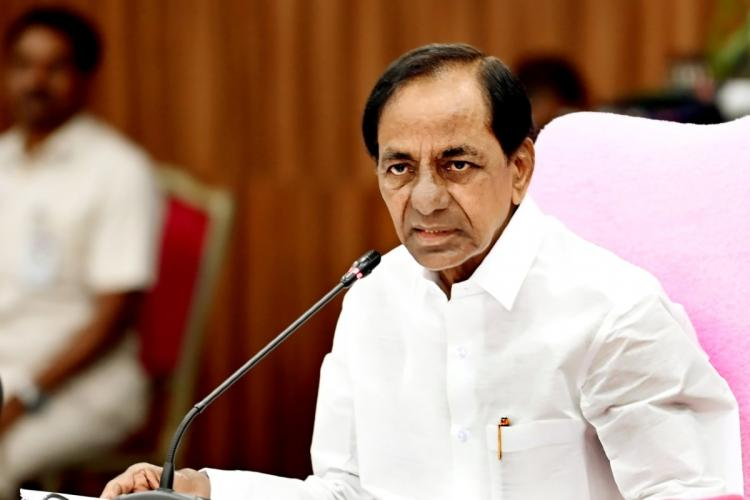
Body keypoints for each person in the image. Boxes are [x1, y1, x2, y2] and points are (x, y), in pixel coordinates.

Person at [102, 44, 743, 499]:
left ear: (520, 168)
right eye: (400, 168)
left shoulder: (612, 309)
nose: (427, 199)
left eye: (457, 164)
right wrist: (205, 491)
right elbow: (345, 492)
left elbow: (688, 493)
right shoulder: (372, 298)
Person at [0, 7, 160, 497]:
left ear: (85, 78)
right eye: (23, 65)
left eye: (55, 67)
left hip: (82, 386)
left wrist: (23, 396)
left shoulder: (118, 171)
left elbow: (113, 317)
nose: (35, 81)